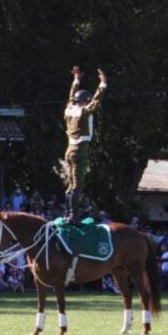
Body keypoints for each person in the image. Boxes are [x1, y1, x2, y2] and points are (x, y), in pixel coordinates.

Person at [63, 66, 107, 224]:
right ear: (84, 101)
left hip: (69, 149)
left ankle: (66, 212)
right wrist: (102, 84)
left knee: (70, 185)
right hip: (80, 149)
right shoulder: (83, 111)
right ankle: (72, 216)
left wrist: (76, 80)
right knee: (77, 186)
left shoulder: (69, 108)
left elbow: (70, 96)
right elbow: (95, 103)